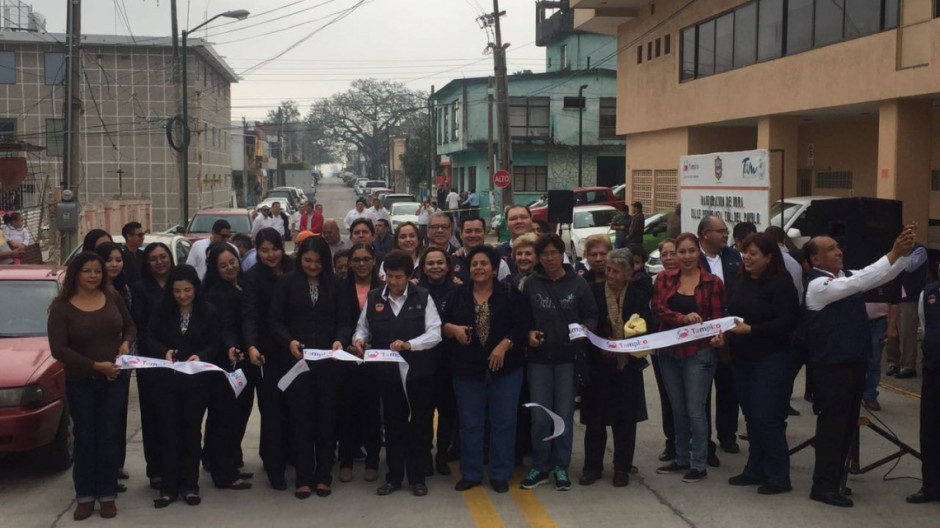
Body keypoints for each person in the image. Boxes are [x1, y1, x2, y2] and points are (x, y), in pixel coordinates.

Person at [800, 226, 914, 507]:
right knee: (833, 427)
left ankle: (836, 481)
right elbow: (862, 281)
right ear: (815, 260)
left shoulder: (845, 276)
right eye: (829, 249)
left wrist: (901, 255)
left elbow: (880, 275)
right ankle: (823, 485)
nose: (838, 252)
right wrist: (892, 253)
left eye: (838, 247)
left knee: (848, 426)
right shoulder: (818, 286)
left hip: (852, 364)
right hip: (831, 368)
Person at [48, 252, 136, 521]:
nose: (93, 276)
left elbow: (130, 326)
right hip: (81, 381)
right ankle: (85, 496)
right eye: (87, 271)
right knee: (86, 438)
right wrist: (97, 366)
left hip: (114, 380)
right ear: (75, 273)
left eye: (97, 271)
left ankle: (107, 495)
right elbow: (58, 349)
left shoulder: (112, 296)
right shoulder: (61, 308)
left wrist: (124, 344)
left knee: (109, 437)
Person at [711, 233, 799, 495]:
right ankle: (755, 469)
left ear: (769, 257)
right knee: (751, 416)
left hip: (772, 359)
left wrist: (752, 330)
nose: (746, 258)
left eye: (753, 254)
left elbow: (789, 322)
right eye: (745, 252)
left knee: (767, 416)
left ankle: (779, 475)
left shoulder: (781, 284)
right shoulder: (742, 280)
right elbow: (732, 315)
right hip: (742, 359)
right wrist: (722, 332)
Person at [352, 250, 443, 497]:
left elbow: (435, 333)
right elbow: (362, 329)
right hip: (387, 376)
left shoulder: (423, 297)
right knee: (393, 427)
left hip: (418, 375)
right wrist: (359, 341)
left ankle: (417, 478)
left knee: (419, 427)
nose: (393, 282)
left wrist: (409, 345)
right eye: (389, 276)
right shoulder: (374, 298)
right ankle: (393, 478)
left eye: (398, 277)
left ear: (409, 275)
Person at [271, 236, 353, 499]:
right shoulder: (285, 283)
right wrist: (289, 341)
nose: (313, 265)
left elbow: (346, 320)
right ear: (299, 259)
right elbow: (274, 320)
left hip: (330, 363)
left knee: (327, 420)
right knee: (301, 419)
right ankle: (304, 477)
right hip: (298, 363)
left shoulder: (338, 285)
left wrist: (341, 340)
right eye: (307, 260)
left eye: (318, 261)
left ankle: (323, 476)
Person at [443, 245, 530, 494]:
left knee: (503, 422)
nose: (479, 268)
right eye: (474, 264)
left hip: (506, 370)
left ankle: (500, 473)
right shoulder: (457, 295)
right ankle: (471, 473)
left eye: (484, 264)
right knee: (470, 423)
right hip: (467, 370)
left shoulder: (510, 294)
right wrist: (453, 330)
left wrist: (505, 345)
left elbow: (522, 324)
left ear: (494, 269)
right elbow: (442, 324)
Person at [520, 233, 599, 491]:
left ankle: (561, 467)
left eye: (554, 253)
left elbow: (591, 314)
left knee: (563, 415)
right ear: (538, 258)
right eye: (544, 254)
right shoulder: (531, 283)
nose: (550, 258)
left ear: (562, 254)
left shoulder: (578, 283)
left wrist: (586, 329)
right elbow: (522, 318)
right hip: (539, 360)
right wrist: (527, 334)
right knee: (540, 416)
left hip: (568, 360)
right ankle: (539, 466)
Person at [651, 232, 725, 483]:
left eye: (691, 251)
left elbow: (717, 318)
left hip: (699, 353)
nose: (686, 256)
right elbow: (658, 308)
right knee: (678, 408)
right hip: (669, 351)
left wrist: (719, 336)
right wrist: (681, 319)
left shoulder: (713, 282)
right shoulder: (664, 278)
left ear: (699, 252)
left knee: (695, 410)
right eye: (681, 252)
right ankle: (681, 457)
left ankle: (699, 463)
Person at [145, 265, 220, 508]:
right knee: (168, 433)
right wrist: (163, 351)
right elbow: (149, 337)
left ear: (195, 289)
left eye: (187, 290)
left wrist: (201, 356)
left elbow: (214, 343)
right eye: (177, 291)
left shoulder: (208, 312)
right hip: (167, 383)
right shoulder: (161, 310)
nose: (182, 296)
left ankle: (190, 485)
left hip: (196, 383)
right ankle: (168, 487)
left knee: (191, 433)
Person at [580, 248, 652, 488]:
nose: (610, 275)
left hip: (628, 366)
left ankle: (622, 467)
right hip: (599, 365)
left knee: (625, 420)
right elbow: (588, 323)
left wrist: (632, 341)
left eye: (616, 271)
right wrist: (599, 344)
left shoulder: (640, 296)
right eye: (608, 270)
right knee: (595, 420)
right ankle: (592, 466)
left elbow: (647, 326)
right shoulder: (593, 292)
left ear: (628, 274)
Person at [201, 243, 254, 491]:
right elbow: (225, 327)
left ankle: (225, 461)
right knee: (225, 418)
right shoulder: (216, 294)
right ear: (215, 268)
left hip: (244, 361)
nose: (230, 267)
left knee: (237, 415)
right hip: (227, 362)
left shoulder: (242, 284)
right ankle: (223, 474)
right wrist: (231, 347)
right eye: (223, 265)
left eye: (233, 261)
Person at [243, 228, 292, 491]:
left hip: (295, 349)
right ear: (256, 251)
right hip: (266, 353)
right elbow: (249, 315)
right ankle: (275, 468)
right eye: (264, 250)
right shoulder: (252, 278)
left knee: (293, 408)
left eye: (274, 249)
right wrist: (251, 345)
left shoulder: (295, 268)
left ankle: (291, 455)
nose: (270, 255)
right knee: (271, 410)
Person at [130, 242, 174, 490]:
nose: (160, 262)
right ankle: (155, 470)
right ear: (146, 264)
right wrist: (161, 351)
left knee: (176, 418)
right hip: (151, 363)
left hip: (178, 362)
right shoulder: (139, 289)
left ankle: (176, 467)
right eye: (154, 259)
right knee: (153, 418)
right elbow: (141, 329)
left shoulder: (179, 285)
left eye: (163, 257)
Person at [697, 215, 742, 462]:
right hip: (702, 332)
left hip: (730, 332)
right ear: (705, 234)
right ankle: (703, 440)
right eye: (721, 231)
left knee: (728, 387)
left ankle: (728, 434)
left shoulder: (735, 258)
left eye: (726, 231)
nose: (726, 235)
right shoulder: (694, 258)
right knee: (701, 390)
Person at [337, 243, 382, 483]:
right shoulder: (339, 288)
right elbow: (339, 322)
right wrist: (347, 345)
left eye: (366, 259)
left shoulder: (384, 288)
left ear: (374, 261)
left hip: (375, 360)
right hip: (346, 358)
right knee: (346, 411)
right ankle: (345, 460)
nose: (361, 264)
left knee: (372, 412)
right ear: (350, 263)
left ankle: (372, 460)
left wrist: (372, 347)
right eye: (357, 260)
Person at [416, 246, 459, 475]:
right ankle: (424, 456)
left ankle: (442, 455)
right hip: (422, 361)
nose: (435, 267)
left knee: (447, 413)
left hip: (449, 362)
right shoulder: (414, 291)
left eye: (440, 262)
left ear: (448, 265)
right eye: (430, 263)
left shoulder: (459, 291)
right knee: (423, 413)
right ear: (423, 267)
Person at [93, 242, 132, 482]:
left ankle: (113, 469)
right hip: (89, 368)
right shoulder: (78, 295)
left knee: (115, 422)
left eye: (118, 259)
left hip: (120, 364)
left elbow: (130, 324)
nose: (114, 264)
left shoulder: (119, 290)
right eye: (109, 260)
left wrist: (126, 343)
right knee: (93, 427)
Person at [909, 275, 940, 504]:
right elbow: (924, 327)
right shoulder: (929, 293)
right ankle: (930, 486)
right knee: (930, 430)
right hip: (933, 370)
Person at [651, 238, 678, 462]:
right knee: (668, 397)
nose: (669, 258)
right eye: (665, 254)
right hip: (664, 348)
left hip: (692, 350)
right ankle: (672, 442)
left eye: (673, 253)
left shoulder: (698, 278)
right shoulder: (658, 280)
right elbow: (657, 309)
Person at [891, 241, 928, 379]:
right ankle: (893, 363)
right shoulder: (894, 249)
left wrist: (897, 256)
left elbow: (910, 267)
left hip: (911, 296)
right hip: (895, 294)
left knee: (907, 332)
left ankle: (907, 366)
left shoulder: (919, 250)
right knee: (893, 330)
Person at [451, 217, 510, 283]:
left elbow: (507, 290)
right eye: (468, 231)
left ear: (484, 234)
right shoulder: (451, 262)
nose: (473, 235)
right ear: (460, 235)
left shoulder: (499, 264)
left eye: (477, 231)